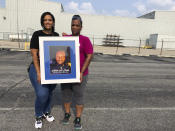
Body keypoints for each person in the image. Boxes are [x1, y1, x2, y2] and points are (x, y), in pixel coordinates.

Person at [61, 15, 93, 130]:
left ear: (81, 27)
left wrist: (81, 72)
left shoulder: (85, 40)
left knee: (79, 96)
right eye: (73, 25)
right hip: (66, 73)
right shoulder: (67, 38)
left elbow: (89, 56)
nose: (74, 27)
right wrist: (62, 39)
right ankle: (67, 113)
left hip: (81, 74)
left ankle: (78, 117)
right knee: (66, 95)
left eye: (77, 25)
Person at [28, 12, 59, 129]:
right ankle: (38, 115)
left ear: (53, 22)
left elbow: (59, 51)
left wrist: (67, 39)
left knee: (50, 91)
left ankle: (46, 111)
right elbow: (34, 55)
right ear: (42, 22)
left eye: (50, 20)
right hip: (37, 68)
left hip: (52, 68)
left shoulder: (56, 35)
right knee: (42, 93)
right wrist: (39, 72)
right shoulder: (37, 34)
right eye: (45, 20)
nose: (47, 22)